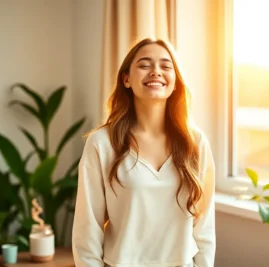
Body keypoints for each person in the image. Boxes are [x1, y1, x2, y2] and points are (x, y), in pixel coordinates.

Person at [72, 37, 216, 267]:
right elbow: (87, 229)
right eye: (144, 65)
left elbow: (204, 225)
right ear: (126, 79)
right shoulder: (102, 143)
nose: (156, 72)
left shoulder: (195, 142)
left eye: (166, 66)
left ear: (176, 82)